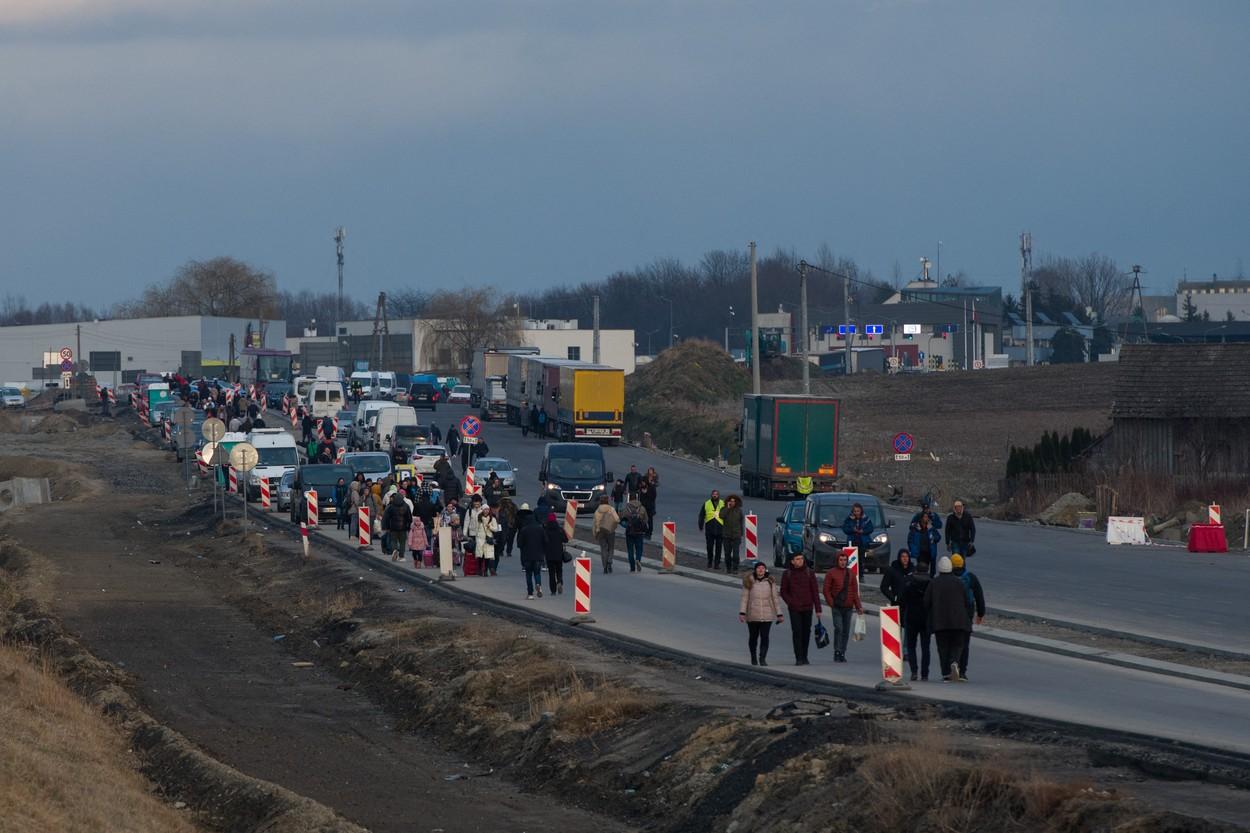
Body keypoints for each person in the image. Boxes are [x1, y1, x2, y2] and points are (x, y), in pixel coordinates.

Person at [924, 556, 971, 682]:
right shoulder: (959, 582)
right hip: (959, 620)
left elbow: (926, 602)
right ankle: (955, 662)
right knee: (958, 644)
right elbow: (968, 601)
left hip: (940, 622)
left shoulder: (934, 583)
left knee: (943, 647)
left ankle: (945, 673)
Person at [779, 551, 821, 665]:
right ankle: (798, 657)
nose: (800, 561)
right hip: (794, 608)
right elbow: (783, 591)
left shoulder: (809, 573)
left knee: (806, 632)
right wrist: (791, 602)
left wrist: (818, 609)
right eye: (797, 559)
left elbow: (815, 591)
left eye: (801, 559)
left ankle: (805, 656)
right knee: (797, 632)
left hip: (807, 607)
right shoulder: (787, 574)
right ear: (792, 561)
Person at [821, 550, 863, 663]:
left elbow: (854, 591)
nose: (843, 562)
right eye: (841, 560)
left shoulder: (851, 574)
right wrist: (831, 603)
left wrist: (858, 606)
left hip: (848, 607)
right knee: (839, 628)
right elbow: (826, 590)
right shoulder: (831, 573)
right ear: (837, 560)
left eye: (845, 560)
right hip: (837, 606)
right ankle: (837, 651)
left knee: (846, 630)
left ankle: (843, 651)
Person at [739, 561, 783, 666]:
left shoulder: (770, 582)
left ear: (765, 570)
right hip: (753, 614)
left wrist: (779, 614)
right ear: (755, 570)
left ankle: (762, 658)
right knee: (753, 637)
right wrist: (742, 613)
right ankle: (753, 657)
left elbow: (775, 599)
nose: (761, 570)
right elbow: (744, 598)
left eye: (763, 568)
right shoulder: (749, 581)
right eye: (759, 568)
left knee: (765, 637)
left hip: (767, 615)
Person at [951, 553, 985, 681]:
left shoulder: (948, 578)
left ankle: (952, 665)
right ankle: (963, 671)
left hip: (951, 614)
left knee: (953, 641)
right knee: (965, 643)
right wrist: (980, 613)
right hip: (967, 614)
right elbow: (979, 596)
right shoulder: (970, 577)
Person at [902, 557, 933, 681]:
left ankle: (914, 671)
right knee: (926, 648)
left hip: (912, 618)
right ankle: (925, 673)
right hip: (926, 619)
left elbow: (903, 599)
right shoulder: (931, 583)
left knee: (911, 646)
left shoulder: (909, 582)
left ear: (916, 570)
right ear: (927, 570)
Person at [698, 489, 726, 570]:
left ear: (718, 495)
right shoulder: (706, 503)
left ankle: (717, 564)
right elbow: (701, 515)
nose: (715, 495)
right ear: (711, 495)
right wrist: (700, 525)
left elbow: (727, 515)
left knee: (719, 548)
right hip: (709, 529)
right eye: (713, 494)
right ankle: (710, 562)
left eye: (716, 494)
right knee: (709, 547)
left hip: (720, 529)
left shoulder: (722, 503)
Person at [621, 492, 649, 572]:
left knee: (630, 550)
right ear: (637, 498)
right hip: (639, 532)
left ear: (629, 499)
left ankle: (632, 567)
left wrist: (626, 525)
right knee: (639, 548)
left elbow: (621, 519)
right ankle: (638, 559)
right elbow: (646, 519)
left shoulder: (626, 508)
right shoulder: (642, 508)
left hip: (629, 532)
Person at [382, 492, 412, 563]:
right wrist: (409, 526)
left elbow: (386, 517)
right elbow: (409, 517)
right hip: (403, 527)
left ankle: (394, 550)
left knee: (393, 540)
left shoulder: (391, 506)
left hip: (393, 527)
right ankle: (401, 556)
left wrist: (386, 527)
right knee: (402, 542)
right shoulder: (406, 506)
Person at [592, 495, 620, 573]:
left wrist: (595, 533)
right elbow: (617, 519)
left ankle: (604, 566)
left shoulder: (597, 510)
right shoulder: (611, 509)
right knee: (611, 547)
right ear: (607, 501)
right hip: (610, 531)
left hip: (600, 531)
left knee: (603, 548)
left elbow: (594, 523)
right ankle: (609, 561)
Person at [542, 511, 568, 595]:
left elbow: (542, 542)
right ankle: (559, 581)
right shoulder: (560, 529)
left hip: (549, 555)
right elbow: (566, 540)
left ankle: (553, 591)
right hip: (559, 554)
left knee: (551, 573)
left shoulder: (545, 530)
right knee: (559, 570)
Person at [909, 511, 942, 576]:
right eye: (925, 517)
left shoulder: (931, 528)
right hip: (920, 552)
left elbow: (938, 537)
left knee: (931, 570)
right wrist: (912, 549)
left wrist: (934, 538)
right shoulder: (916, 528)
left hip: (929, 552)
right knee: (921, 569)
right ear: (921, 518)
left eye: (927, 517)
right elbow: (910, 540)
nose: (927, 518)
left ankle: (930, 580)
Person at [720, 494, 744, 574]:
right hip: (726, 535)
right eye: (731, 501)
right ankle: (728, 568)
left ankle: (735, 568)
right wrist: (727, 508)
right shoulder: (724, 509)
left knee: (736, 554)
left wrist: (741, 534)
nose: (732, 503)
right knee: (727, 554)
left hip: (736, 535)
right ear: (728, 502)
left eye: (734, 501)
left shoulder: (739, 511)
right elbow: (721, 516)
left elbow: (741, 522)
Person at [475, 505, 500, 576]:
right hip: (480, 539)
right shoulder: (479, 518)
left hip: (488, 539)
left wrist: (490, 527)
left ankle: (485, 571)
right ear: (482, 510)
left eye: (487, 510)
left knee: (487, 556)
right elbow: (476, 528)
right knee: (481, 555)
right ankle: (479, 569)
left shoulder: (492, 519)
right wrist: (476, 537)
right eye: (485, 510)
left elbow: (496, 529)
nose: (486, 511)